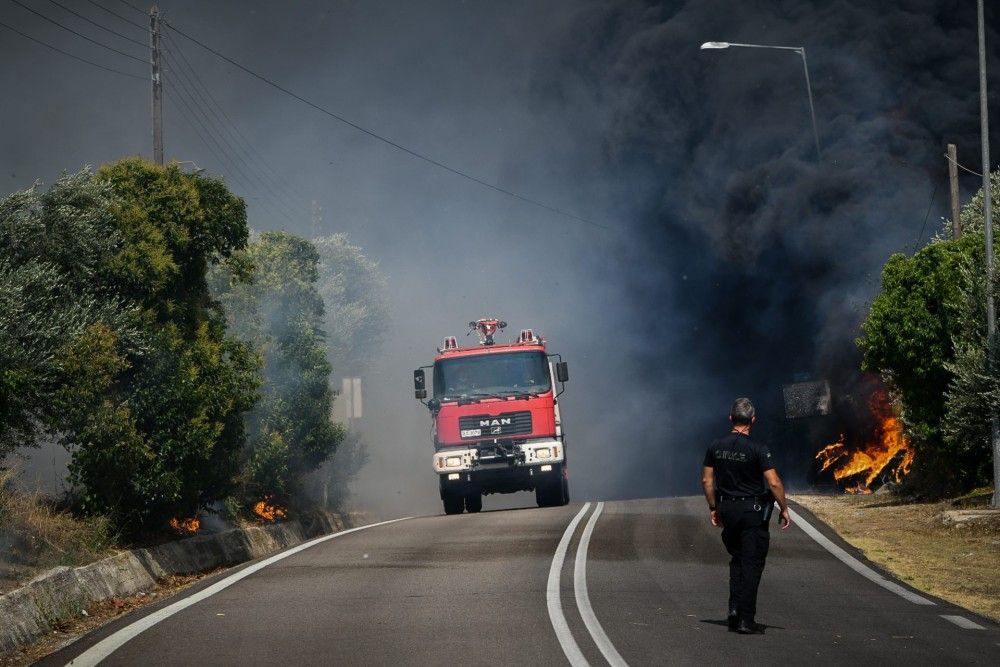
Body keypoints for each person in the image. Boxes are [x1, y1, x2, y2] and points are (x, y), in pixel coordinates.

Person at [701, 397, 791, 634]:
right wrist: (784, 507)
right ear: (753, 420)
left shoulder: (715, 446)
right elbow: (773, 482)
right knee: (752, 564)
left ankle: (733, 609)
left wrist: (713, 507)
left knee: (737, 559)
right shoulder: (759, 449)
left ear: (731, 418)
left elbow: (707, 480)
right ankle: (745, 619)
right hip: (752, 513)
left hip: (727, 509)